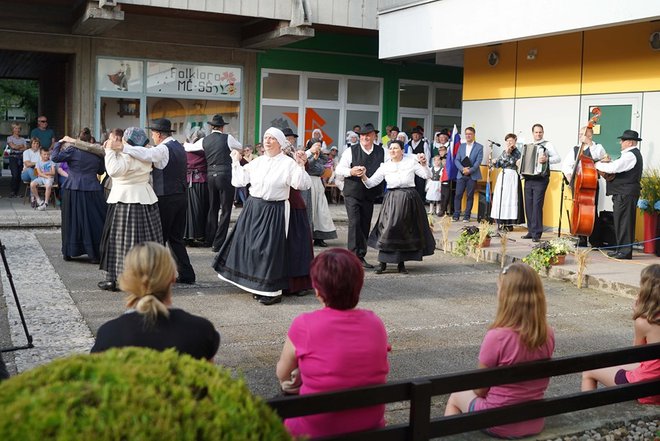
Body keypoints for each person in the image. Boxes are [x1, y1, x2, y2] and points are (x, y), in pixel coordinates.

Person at [276, 248, 390, 439]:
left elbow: (282, 373)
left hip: (316, 430)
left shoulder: (304, 325)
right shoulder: (375, 323)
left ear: (317, 290)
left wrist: (297, 378)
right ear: (359, 286)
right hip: (370, 425)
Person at [444, 262, 555, 439]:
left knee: (456, 396)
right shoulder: (547, 333)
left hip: (499, 422)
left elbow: (480, 390)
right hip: (534, 420)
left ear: (506, 296)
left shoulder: (497, 336)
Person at [213, 127, 311, 305]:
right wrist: (236, 161)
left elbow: (301, 184)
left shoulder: (287, 163)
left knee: (270, 250)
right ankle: (254, 284)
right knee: (251, 247)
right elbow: (239, 181)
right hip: (254, 207)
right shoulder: (258, 162)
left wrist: (300, 165)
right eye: (266, 137)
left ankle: (272, 291)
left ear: (280, 143)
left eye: (272, 138)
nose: (267, 141)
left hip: (275, 209)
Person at [91, 242, 219, 360]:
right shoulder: (200, 331)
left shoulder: (109, 334)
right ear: (172, 278)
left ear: (127, 280)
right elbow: (209, 380)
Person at [124, 118, 196, 284]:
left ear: (157, 134)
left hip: (166, 198)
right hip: (181, 196)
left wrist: (125, 147)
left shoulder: (163, 149)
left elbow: (148, 154)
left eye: (153, 134)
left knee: (159, 238)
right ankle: (187, 274)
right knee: (176, 238)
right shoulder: (179, 146)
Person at [581, 263, 660, 404]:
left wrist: (638, 314)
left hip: (646, 389)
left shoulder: (644, 322)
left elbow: (637, 356)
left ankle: (588, 418)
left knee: (589, 371)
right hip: (656, 379)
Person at [98, 127, 163, 292]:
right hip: (145, 199)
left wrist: (109, 150)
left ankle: (117, 279)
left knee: (119, 242)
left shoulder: (127, 155)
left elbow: (113, 171)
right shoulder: (147, 152)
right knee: (148, 241)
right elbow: (156, 157)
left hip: (124, 200)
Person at [361, 140, 434, 274]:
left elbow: (427, 175)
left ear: (402, 150)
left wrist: (424, 164)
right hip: (392, 200)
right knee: (387, 230)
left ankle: (401, 264)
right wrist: (363, 175)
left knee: (404, 232)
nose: (393, 151)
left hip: (409, 199)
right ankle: (382, 263)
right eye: (391, 149)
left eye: (396, 148)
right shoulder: (385, 166)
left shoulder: (411, 162)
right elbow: (371, 183)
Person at [334, 123, 385, 269]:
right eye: (363, 135)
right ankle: (351, 257)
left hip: (369, 194)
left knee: (364, 224)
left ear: (374, 136)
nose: (365, 137)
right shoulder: (351, 150)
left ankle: (361, 256)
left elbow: (391, 164)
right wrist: (351, 171)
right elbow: (339, 169)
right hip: (352, 192)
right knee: (354, 222)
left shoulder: (382, 151)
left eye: (368, 134)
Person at [51, 129, 107, 263]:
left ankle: (69, 252)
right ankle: (94, 254)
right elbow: (101, 170)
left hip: (73, 188)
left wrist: (60, 142)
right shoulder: (97, 154)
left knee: (71, 220)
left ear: (77, 139)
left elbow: (55, 157)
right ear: (90, 141)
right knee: (94, 220)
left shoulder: (72, 151)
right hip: (92, 188)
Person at [594, 129, 643, 260]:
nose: (621, 142)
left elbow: (614, 168)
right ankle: (621, 249)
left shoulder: (630, 155)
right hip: (623, 193)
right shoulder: (629, 154)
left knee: (624, 223)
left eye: (623, 140)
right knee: (620, 221)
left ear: (630, 142)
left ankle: (625, 252)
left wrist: (598, 164)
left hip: (625, 193)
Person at [562, 126, 608, 246]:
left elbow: (601, 156)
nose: (580, 135)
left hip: (590, 182)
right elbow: (566, 164)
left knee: (592, 210)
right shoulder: (575, 149)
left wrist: (589, 144)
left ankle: (595, 240)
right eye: (579, 133)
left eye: (583, 133)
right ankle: (581, 239)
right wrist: (568, 175)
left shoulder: (597, 147)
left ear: (590, 135)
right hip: (578, 183)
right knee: (578, 209)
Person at [202, 114, 242, 252]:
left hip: (210, 176)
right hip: (225, 175)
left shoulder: (205, 140)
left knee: (212, 208)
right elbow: (240, 146)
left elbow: (189, 147)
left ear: (211, 127)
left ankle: (210, 238)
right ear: (222, 127)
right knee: (225, 210)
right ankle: (218, 243)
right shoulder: (228, 138)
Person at [521, 124, 561, 242]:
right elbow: (524, 161)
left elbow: (558, 158)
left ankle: (537, 233)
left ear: (543, 132)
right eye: (536, 132)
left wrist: (546, 158)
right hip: (529, 178)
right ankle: (530, 230)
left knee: (537, 205)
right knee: (528, 205)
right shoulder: (528, 146)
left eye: (540, 132)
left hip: (541, 179)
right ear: (532, 133)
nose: (538, 134)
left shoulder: (547, 145)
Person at [305, 138, 338, 247]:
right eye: (316, 145)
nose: (318, 147)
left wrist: (319, 152)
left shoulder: (320, 155)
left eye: (320, 145)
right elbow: (307, 165)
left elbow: (326, 160)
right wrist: (312, 154)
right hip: (309, 182)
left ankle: (320, 237)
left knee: (321, 211)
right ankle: (308, 236)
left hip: (318, 183)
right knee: (311, 210)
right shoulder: (306, 154)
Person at [490, 133, 524, 231]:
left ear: (515, 141)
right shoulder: (504, 151)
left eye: (511, 140)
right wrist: (495, 162)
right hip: (503, 176)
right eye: (507, 141)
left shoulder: (517, 152)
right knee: (501, 198)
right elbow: (500, 164)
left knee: (510, 197)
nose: (509, 142)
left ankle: (509, 224)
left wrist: (508, 154)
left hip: (512, 176)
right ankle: (501, 222)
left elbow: (512, 162)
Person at [183, 129, 209, 246]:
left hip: (187, 180)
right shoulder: (204, 150)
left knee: (188, 210)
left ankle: (186, 235)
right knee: (199, 209)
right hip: (201, 181)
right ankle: (198, 235)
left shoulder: (184, 148)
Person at [452, 127, 483, 222]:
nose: (468, 135)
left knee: (470, 196)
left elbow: (478, 161)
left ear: (474, 135)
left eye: (470, 134)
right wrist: (462, 169)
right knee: (458, 195)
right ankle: (456, 214)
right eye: (466, 134)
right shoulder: (461, 146)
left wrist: (470, 170)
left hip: (472, 175)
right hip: (461, 174)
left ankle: (467, 216)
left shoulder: (479, 147)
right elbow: (456, 160)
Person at [6, 123, 27, 198]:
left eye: (18, 128)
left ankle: (16, 192)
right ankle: (12, 191)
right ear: (12, 129)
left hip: (21, 157)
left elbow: (25, 148)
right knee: (14, 175)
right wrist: (20, 146)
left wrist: (17, 147)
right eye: (15, 128)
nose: (17, 130)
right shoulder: (9, 138)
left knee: (18, 176)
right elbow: (12, 147)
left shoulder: (23, 139)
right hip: (13, 158)